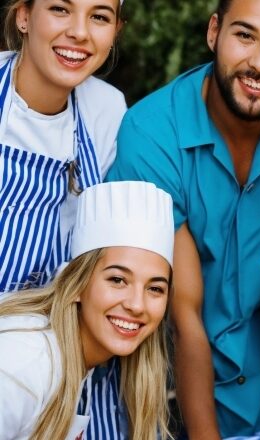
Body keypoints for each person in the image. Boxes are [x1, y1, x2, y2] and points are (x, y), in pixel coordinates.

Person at [106, 0, 260, 437]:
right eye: (245, 35)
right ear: (215, 32)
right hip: (168, 398)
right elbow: (183, 311)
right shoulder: (151, 132)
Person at [1, 0, 128, 438]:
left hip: (70, 361)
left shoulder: (106, 111)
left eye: (99, 16)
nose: (80, 32)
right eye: (60, 9)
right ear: (23, 16)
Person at [0, 180, 174, 440]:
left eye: (155, 289)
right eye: (117, 280)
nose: (137, 305)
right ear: (77, 284)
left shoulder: (81, 363)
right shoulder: (22, 363)